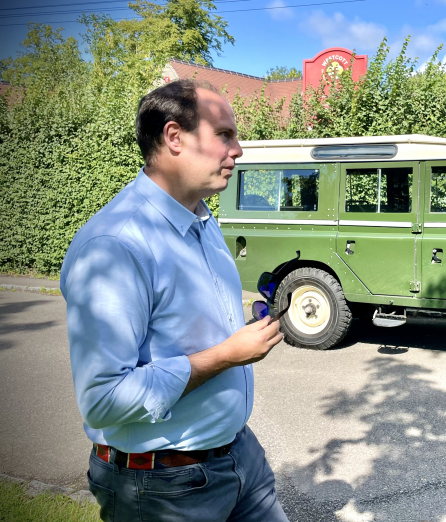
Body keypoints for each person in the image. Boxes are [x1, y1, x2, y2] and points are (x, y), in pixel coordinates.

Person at [60, 79, 290, 522]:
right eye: (224, 134)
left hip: (239, 458)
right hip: (162, 487)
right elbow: (103, 397)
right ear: (174, 137)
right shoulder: (116, 246)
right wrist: (226, 355)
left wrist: (239, 328)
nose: (238, 150)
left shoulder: (202, 218)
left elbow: (183, 328)